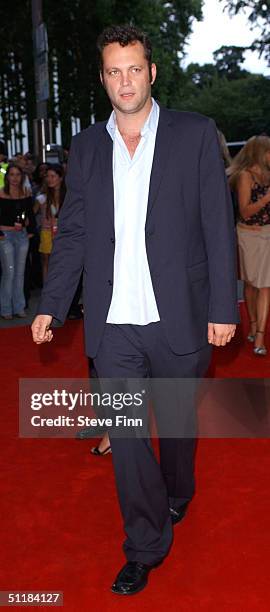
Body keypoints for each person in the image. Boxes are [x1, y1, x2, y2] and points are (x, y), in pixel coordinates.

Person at [32, 25, 238, 596]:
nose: (125, 80)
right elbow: (71, 232)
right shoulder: (88, 146)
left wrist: (224, 307)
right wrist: (52, 304)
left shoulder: (195, 134)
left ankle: (178, 491)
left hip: (181, 315)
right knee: (125, 435)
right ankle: (145, 545)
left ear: (152, 72)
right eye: (113, 71)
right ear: (103, 79)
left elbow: (218, 229)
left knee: (175, 425)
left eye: (134, 69)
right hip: (113, 321)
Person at [228, 135, 270, 356]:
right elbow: (245, 212)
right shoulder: (245, 176)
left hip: (267, 234)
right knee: (251, 284)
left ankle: (260, 336)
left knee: (265, 285)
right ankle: (253, 325)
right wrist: (266, 199)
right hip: (248, 236)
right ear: (260, 152)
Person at [0, 163, 35, 318]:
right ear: (7, 177)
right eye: (12, 174)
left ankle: (19, 307)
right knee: (9, 273)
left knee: (20, 273)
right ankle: (6, 309)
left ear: (22, 177)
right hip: (5, 236)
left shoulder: (26, 192)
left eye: (18, 175)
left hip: (22, 236)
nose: (15, 178)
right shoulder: (1, 193)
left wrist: (30, 229)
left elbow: (30, 215)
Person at [34, 164, 66, 282]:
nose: (49, 179)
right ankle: (47, 290)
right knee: (47, 261)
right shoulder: (42, 198)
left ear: (60, 178)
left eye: (53, 176)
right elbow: (31, 214)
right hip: (47, 232)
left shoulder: (68, 197)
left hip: (63, 233)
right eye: (47, 176)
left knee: (62, 262)